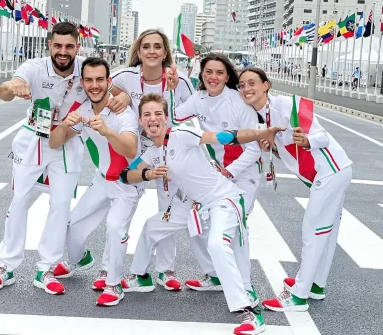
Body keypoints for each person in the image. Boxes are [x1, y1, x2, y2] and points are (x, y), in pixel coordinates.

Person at [120, 93, 283, 335]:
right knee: (152, 226)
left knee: (218, 245)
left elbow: (225, 137)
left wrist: (262, 133)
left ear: (166, 118)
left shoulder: (181, 135)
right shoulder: (152, 152)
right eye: (147, 115)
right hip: (191, 203)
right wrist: (148, 174)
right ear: (141, 121)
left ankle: (249, 310)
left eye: (158, 114)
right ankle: (141, 277)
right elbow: (125, 174)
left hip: (223, 199)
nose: (152, 119)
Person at [0, 22, 128, 295]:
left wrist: (126, 98)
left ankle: (46, 268)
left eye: (69, 46)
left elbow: (115, 88)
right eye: (58, 45)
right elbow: (6, 90)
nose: (63, 51)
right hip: (33, 138)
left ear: (77, 47)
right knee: (19, 199)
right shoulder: (35, 67)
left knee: (60, 204)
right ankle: (5, 266)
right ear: (50, 45)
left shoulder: (85, 68)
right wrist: (14, 87)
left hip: (67, 140)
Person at [238, 68, 352, 312]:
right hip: (326, 173)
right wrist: (272, 147)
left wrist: (308, 140)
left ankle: (298, 296)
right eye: (242, 85)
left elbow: (322, 136)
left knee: (313, 231)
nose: (246, 88)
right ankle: (315, 285)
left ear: (266, 85)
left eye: (252, 83)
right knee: (326, 231)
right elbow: (288, 153)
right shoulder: (259, 118)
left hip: (331, 171)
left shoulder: (287, 105)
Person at [166, 53, 262, 304]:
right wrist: (173, 89)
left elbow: (253, 149)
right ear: (202, 75)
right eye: (208, 72)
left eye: (219, 73)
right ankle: (215, 275)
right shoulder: (199, 98)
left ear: (227, 77)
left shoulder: (238, 102)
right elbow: (174, 117)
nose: (213, 77)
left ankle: (246, 286)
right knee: (198, 221)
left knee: (236, 227)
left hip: (243, 173)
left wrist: (230, 172)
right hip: (216, 175)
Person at [106, 28, 194, 292]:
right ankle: (108, 268)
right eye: (146, 47)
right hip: (136, 150)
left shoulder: (179, 79)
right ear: (139, 52)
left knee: (167, 207)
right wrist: (121, 94)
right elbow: (102, 86)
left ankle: (166, 270)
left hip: (167, 150)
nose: (152, 51)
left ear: (165, 52)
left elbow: (195, 112)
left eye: (157, 46)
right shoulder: (127, 76)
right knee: (122, 207)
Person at [49, 57, 142, 306]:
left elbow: (131, 149)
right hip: (102, 180)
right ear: (83, 82)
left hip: (127, 182)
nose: (94, 85)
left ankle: (112, 282)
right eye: (89, 80)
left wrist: (107, 131)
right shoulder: (83, 111)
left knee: (115, 226)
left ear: (109, 81)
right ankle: (80, 259)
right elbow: (55, 143)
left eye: (100, 79)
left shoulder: (122, 112)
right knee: (71, 226)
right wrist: (63, 126)